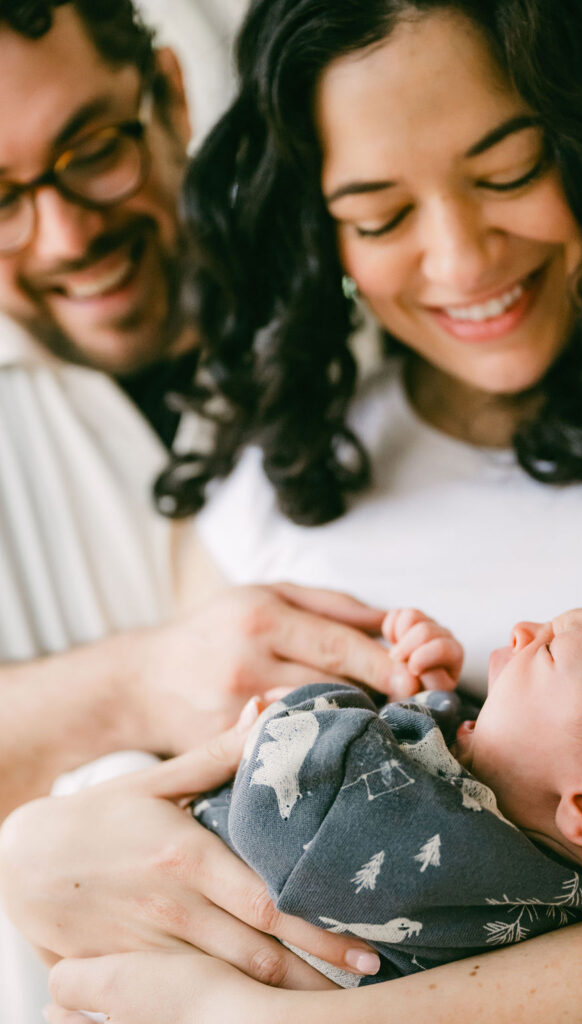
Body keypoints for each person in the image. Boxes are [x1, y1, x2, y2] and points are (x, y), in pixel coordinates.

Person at [3, 0, 582, 1022]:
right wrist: (42, 851)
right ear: (320, 227)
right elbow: (169, 794)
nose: (458, 262)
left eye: (506, 173)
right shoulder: (265, 490)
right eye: (378, 217)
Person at [0, 2, 408, 1020]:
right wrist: (135, 684)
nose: (67, 232)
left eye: (93, 151)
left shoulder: (377, 308)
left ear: (171, 96)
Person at [194, 587, 582, 984]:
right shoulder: (564, 897)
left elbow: (281, 810)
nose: (524, 629)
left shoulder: (453, 844)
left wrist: (352, 700)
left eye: (552, 648)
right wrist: (431, 701)